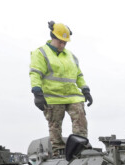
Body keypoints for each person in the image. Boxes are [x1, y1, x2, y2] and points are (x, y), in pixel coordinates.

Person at [29, 21, 93, 155]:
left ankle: (81, 148)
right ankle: (58, 151)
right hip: (53, 97)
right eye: (60, 42)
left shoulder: (71, 56)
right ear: (53, 38)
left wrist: (85, 89)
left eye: (65, 42)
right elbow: (36, 73)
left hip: (72, 96)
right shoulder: (40, 53)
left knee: (80, 120)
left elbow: (78, 74)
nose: (63, 45)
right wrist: (37, 92)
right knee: (55, 126)